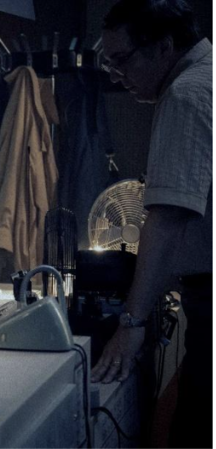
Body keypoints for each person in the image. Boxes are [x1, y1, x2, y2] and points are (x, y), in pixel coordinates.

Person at [90, 1, 211, 448]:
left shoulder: (187, 93)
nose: (115, 75)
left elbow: (166, 216)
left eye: (121, 60)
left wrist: (132, 322)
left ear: (164, 46)